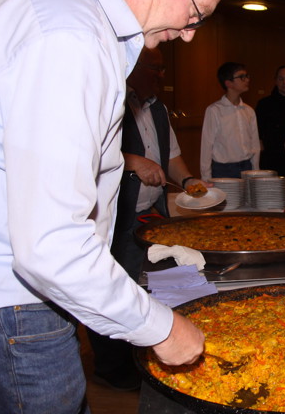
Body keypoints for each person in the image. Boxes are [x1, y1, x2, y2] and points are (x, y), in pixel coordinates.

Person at [0, 0, 238, 411]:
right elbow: (51, 243)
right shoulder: (69, 35)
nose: (190, 33)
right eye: (195, 12)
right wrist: (160, 327)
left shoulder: (52, 6)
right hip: (2, 314)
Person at [86, 46, 206, 390]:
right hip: (121, 220)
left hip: (157, 216)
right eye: (155, 68)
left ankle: (172, 356)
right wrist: (132, 160)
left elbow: (172, 157)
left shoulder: (159, 109)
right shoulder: (111, 101)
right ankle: (114, 368)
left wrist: (187, 181)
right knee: (115, 291)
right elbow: (90, 150)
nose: (161, 75)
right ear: (134, 67)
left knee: (175, 284)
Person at [200, 62, 261, 180]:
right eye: (241, 77)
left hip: (247, 167)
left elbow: (255, 144)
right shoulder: (214, 110)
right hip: (224, 169)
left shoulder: (249, 111)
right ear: (228, 83)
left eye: (247, 76)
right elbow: (207, 146)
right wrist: (206, 177)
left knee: (247, 199)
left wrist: (256, 171)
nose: (247, 79)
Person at [256, 65, 285, 201]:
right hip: (271, 157)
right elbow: (257, 131)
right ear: (275, 80)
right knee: (271, 198)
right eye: (281, 79)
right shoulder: (264, 104)